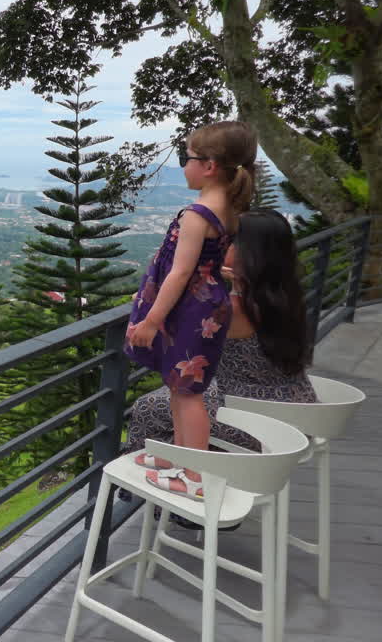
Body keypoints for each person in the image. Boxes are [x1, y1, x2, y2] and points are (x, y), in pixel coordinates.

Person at [124, 121, 256, 500]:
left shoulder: (197, 213)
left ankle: (195, 477)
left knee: (188, 393)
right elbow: (204, 264)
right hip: (205, 306)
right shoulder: (228, 206)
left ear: (210, 166)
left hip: (190, 312)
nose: (184, 165)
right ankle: (177, 459)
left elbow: (180, 272)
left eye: (188, 158)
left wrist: (151, 320)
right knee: (180, 387)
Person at [126, 208, 318, 464]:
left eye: (228, 241)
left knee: (148, 408)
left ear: (248, 252)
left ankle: (162, 492)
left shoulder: (234, 309)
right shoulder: (284, 295)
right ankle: (189, 465)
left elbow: (178, 318)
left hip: (261, 419)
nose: (219, 246)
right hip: (297, 407)